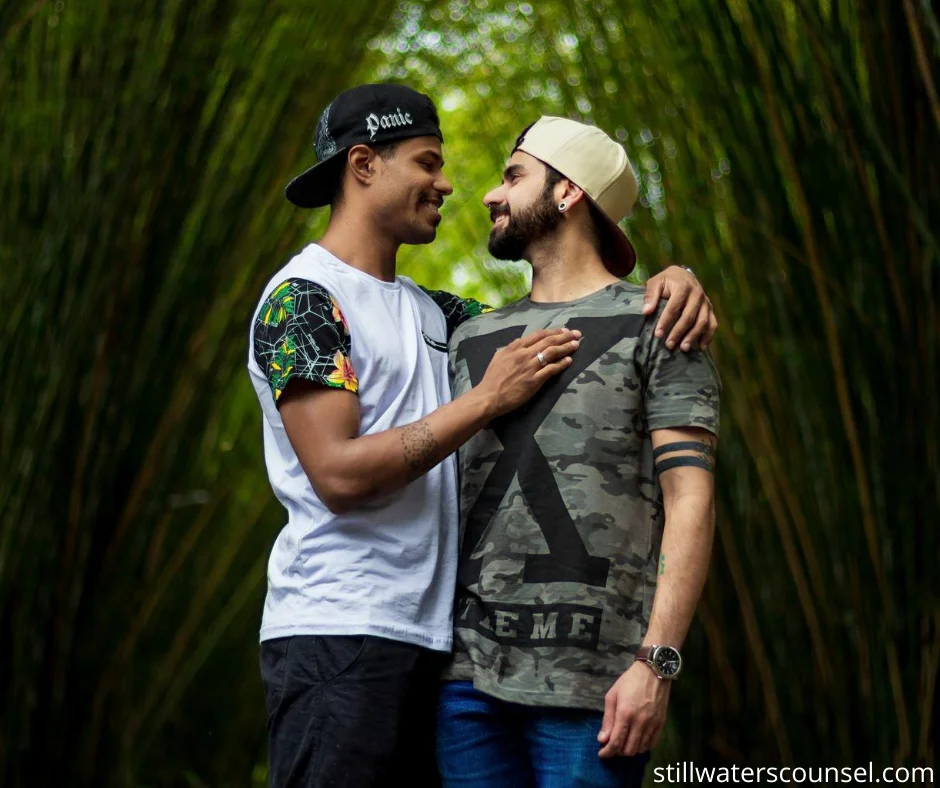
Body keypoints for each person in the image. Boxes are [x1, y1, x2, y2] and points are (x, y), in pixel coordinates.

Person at [247, 84, 716, 788]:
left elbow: (574, 311)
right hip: (339, 637)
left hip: (438, 651)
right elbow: (339, 476)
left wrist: (675, 279)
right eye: (429, 161)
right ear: (364, 165)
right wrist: (488, 398)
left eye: (509, 175)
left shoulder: (445, 319)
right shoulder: (305, 300)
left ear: (569, 195)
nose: (456, 186)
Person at [437, 116, 721, 788]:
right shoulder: (470, 337)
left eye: (512, 176)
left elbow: (692, 500)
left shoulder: (662, 322)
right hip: (464, 688)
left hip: (596, 689)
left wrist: (657, 663)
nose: (489, 196)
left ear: (567, 192)